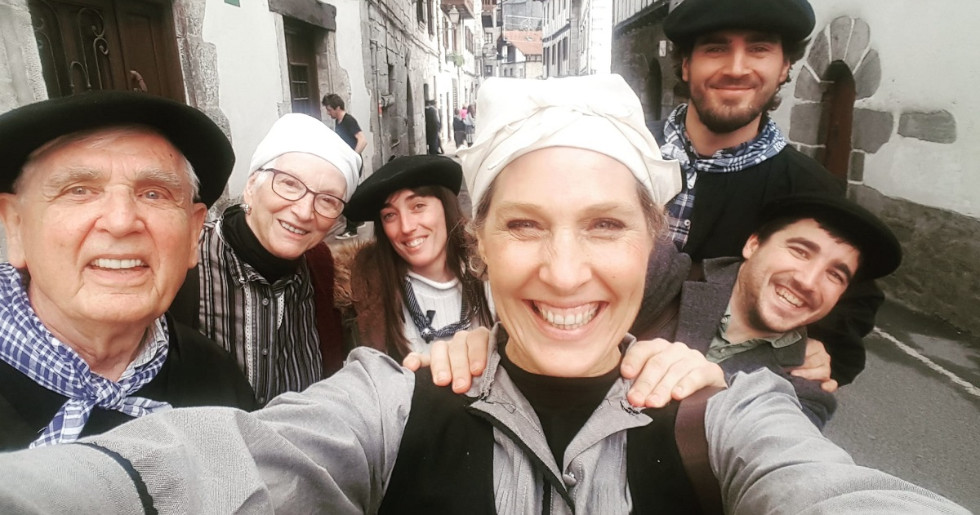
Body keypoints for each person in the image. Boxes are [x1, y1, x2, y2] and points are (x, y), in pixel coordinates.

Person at [0, 76, 965, 515]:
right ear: (483, 248)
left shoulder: (729, 413)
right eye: (526, 225)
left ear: (653, 243)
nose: (564, 271)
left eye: (604, 225)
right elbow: (228, 462)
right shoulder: (391, 397)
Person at [0, 91, 255, 450]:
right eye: (79, 190)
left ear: (194, 233)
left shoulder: (217, 380)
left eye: (154, 194)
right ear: (15, 225)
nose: (121, 222)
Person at [650, 0, 882, 388]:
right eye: (716, 48)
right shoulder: (621, 152)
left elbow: (856, 298)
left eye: (759, 49)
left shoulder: (808, 188)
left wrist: (821, 347)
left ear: (785, 67)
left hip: (709, 401)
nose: (737, 68)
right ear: (686, 64)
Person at [630, 193, 902, 428]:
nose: (808, 282)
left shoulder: (805, 389)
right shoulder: (665, 278)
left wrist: (718, 394)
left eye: (835, 275)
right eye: (800, 251)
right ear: (753, 244)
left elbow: (780, 447)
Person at [169, 113, 360, 406]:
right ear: (251, 186)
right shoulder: (184, 260)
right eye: (290, 184)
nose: (304, 212)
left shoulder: (321, 269)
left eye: (327, 200)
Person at [334, 155, 493, 362]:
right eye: (390, 215)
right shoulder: (368, 296)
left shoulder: (496, 276)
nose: (406, 227)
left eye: (418, 206)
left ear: (446, 206)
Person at [322, 93, 366, 240]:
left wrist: (353, 157)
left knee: (347, 194)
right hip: (346, 163)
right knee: (352, 192)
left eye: (329, 109)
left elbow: (362, 140)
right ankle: (358, 220)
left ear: (337, 108)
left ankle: (351, 229)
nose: (328, 113)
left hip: (352, 163)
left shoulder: (348, 120)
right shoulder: (339, 122)